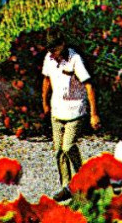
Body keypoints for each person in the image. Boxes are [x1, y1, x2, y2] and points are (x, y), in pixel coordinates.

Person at [41, 38, 99, 186]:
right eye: (50, 51)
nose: (52, 54)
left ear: (62, 45)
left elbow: (89, 86)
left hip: (75, 110)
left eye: (54, 50)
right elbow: (46, 80)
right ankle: (66, 185)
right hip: (57, 109)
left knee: (68, 146)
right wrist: (45, 103)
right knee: (59, 151)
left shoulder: (75, 59)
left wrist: (93, 114)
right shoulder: (49, 58)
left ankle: (83, 177)